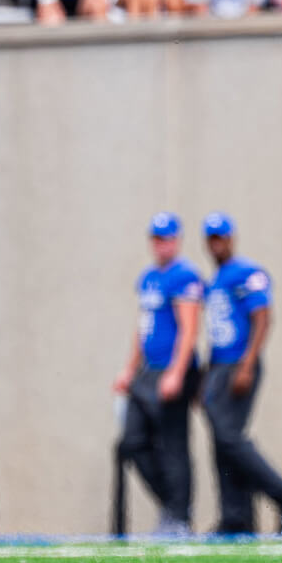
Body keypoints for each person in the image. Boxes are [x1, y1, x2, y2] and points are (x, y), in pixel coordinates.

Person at [200, 213, 282, 536]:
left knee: (228, 437)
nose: (216, 244)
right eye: (211, 238)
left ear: (231, 239)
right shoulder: (218, 279)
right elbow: (215, 332)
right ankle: (236, 518)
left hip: (239, 363)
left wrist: (248, 363)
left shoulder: (246, 272)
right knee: (222, 442)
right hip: (220, 366)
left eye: (220, 237)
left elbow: (263, 318)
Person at [112, 212, 203, 536]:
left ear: (176, 241)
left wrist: (177, 372)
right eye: (156, 238)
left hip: (173, 371)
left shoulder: (185, 276)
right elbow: (143, 327)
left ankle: (180, 516)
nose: (161, 245)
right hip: (147, 372)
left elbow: (189, 329)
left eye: (166, 239)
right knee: (132, 440)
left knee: (174, 445)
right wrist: (129, 368)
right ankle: (171, 504)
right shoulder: (149, 277)